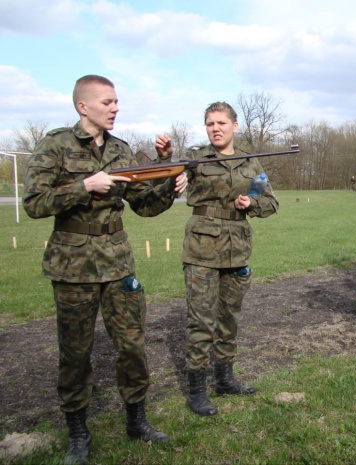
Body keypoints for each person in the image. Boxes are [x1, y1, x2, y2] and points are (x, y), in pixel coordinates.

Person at [23, 75, 188, 465]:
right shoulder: (56, 144)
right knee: (75, 354)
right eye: (107, 102)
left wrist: (168, 185)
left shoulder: (121, 150)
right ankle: (78, 434)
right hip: (73, 265)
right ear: (83, 106)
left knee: (132, 346)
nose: (115, 108)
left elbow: (143, 205)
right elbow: (33, 202)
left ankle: (137, 421)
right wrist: (85, 186)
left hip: (118, 263)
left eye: (116, 102)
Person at [157, 102, 279, 417]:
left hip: (237, 248)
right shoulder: (196, 159)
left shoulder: (251, 163)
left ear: (234, 126)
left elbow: (271, 202)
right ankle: (197, 392)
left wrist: (251, 202)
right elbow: (171, 180)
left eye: (221, 122)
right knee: (201, 321)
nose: (216, 128)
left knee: (229, 318)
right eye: (210, 123)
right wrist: (172, 170)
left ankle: (225, 380)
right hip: (201, 250)